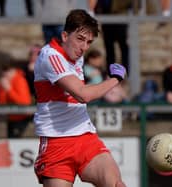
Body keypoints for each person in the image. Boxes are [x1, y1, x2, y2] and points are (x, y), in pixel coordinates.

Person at [33, 9, 126, 187]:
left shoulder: (77, 56)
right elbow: (82, 95)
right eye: (80, 39)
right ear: (65, 36)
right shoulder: (50, 56)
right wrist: (116, 79)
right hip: (56, 143)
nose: (83, 47)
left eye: (89, 42)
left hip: (85, 138)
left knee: (116, 185)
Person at [0, 61, 32, 138]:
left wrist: (9, 89)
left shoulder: (20, 81)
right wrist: (4, 89)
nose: (5, 73)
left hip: (21, 118)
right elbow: (1, 102)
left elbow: (24, 103)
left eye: (7, 70)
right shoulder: (3, 82)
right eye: (4, 70)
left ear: (13, 70)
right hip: (9, 118)